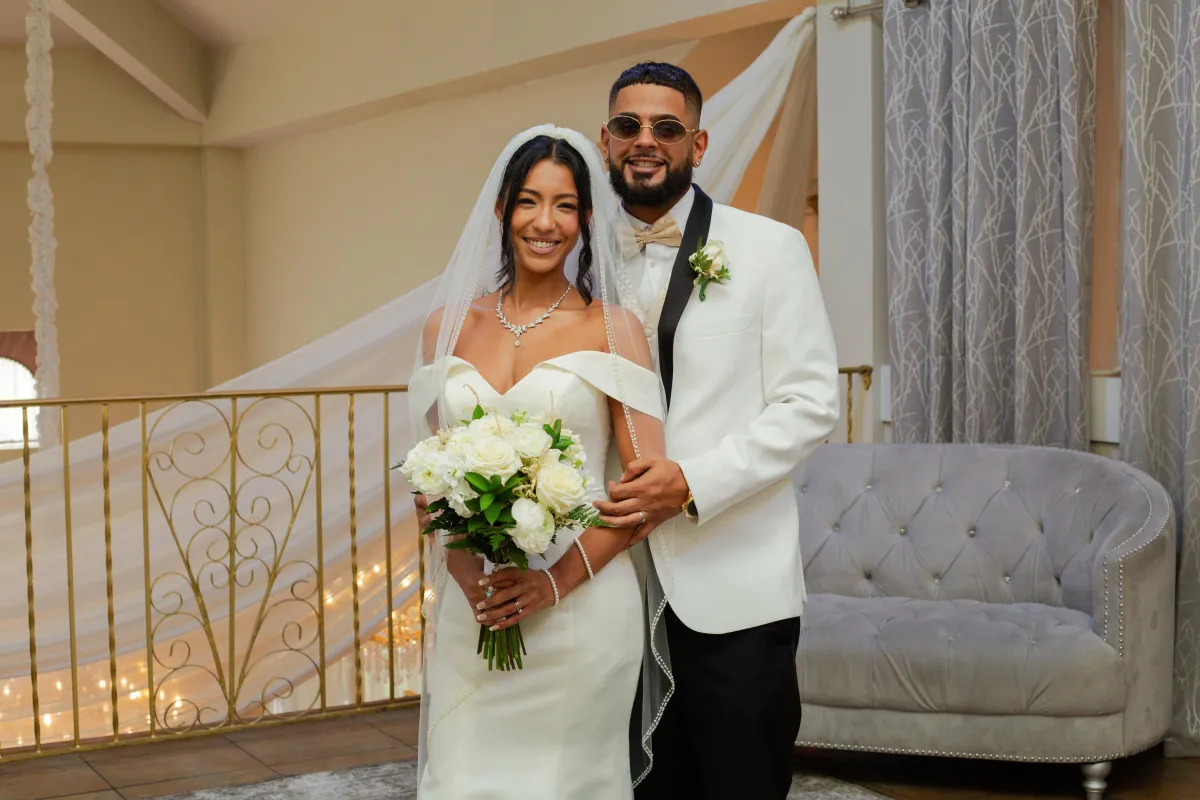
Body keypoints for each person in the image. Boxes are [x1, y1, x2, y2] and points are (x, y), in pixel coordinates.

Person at [591, 62, 840, 798]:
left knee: (741, 782)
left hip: (735, 581)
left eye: (667, 128)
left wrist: (693, 482)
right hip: (608, 587)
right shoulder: (574, 260)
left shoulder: (769, 249)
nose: (647, 142)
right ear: (605, 141)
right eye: (629, 127)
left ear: (698, 145)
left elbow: (809, 402)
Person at [408, 126, 671, 798]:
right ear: (502, 210)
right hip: (479, 603)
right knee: (460, 779)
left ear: (585, 217)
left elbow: (644, 495)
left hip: (580, 611)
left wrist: (552, 584)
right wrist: (467, 572)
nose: (544, 223)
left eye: (564, 205)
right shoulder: (446, 326)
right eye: (529, 202)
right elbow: (438, 474)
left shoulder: (614, 329)